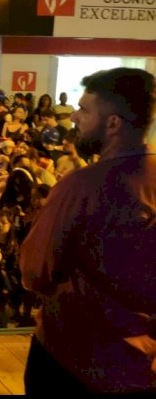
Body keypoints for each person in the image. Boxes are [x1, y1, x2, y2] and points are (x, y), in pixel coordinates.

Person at [20, 67, 156, 394]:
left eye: (84, 110)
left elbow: (34, 271)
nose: (74, 118)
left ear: (113, 123)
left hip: (72, 360)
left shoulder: (82, 186)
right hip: (142, 366)